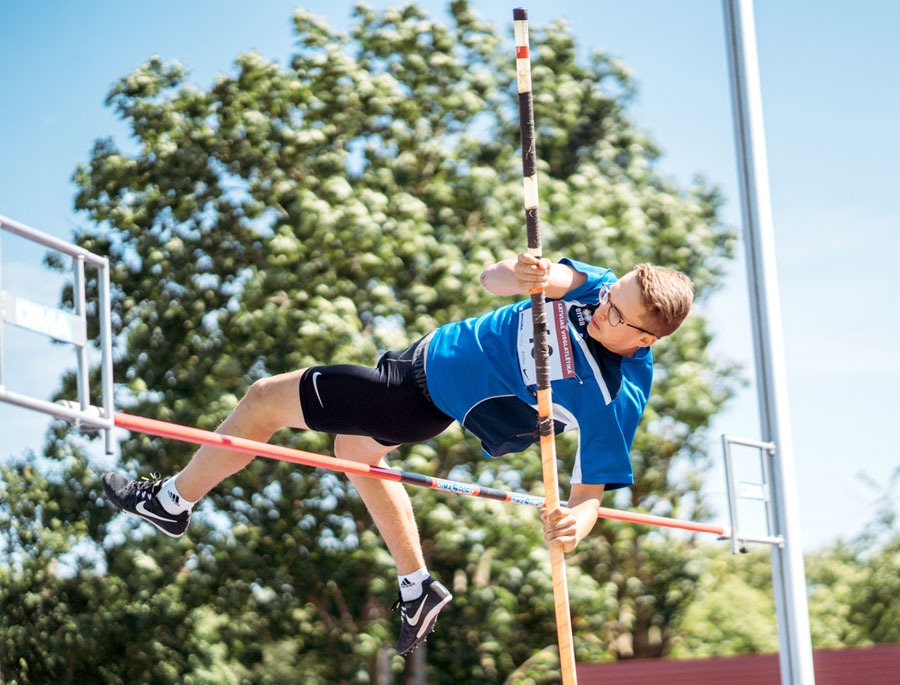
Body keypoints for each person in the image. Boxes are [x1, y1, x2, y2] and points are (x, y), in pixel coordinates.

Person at [102, 252, 694, 655]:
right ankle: (417, 587)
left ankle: (173, 502)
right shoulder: (596, 288)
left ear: (645, 339)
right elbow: (493, 281)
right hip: (423, 360)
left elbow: (590, 499)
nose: (601, 310)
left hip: (415, 395)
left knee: (262, 401)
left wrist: (574, 523)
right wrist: (521, 274)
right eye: (609, 297)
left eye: (618, 317)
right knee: (354, 452)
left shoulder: (617, 397)